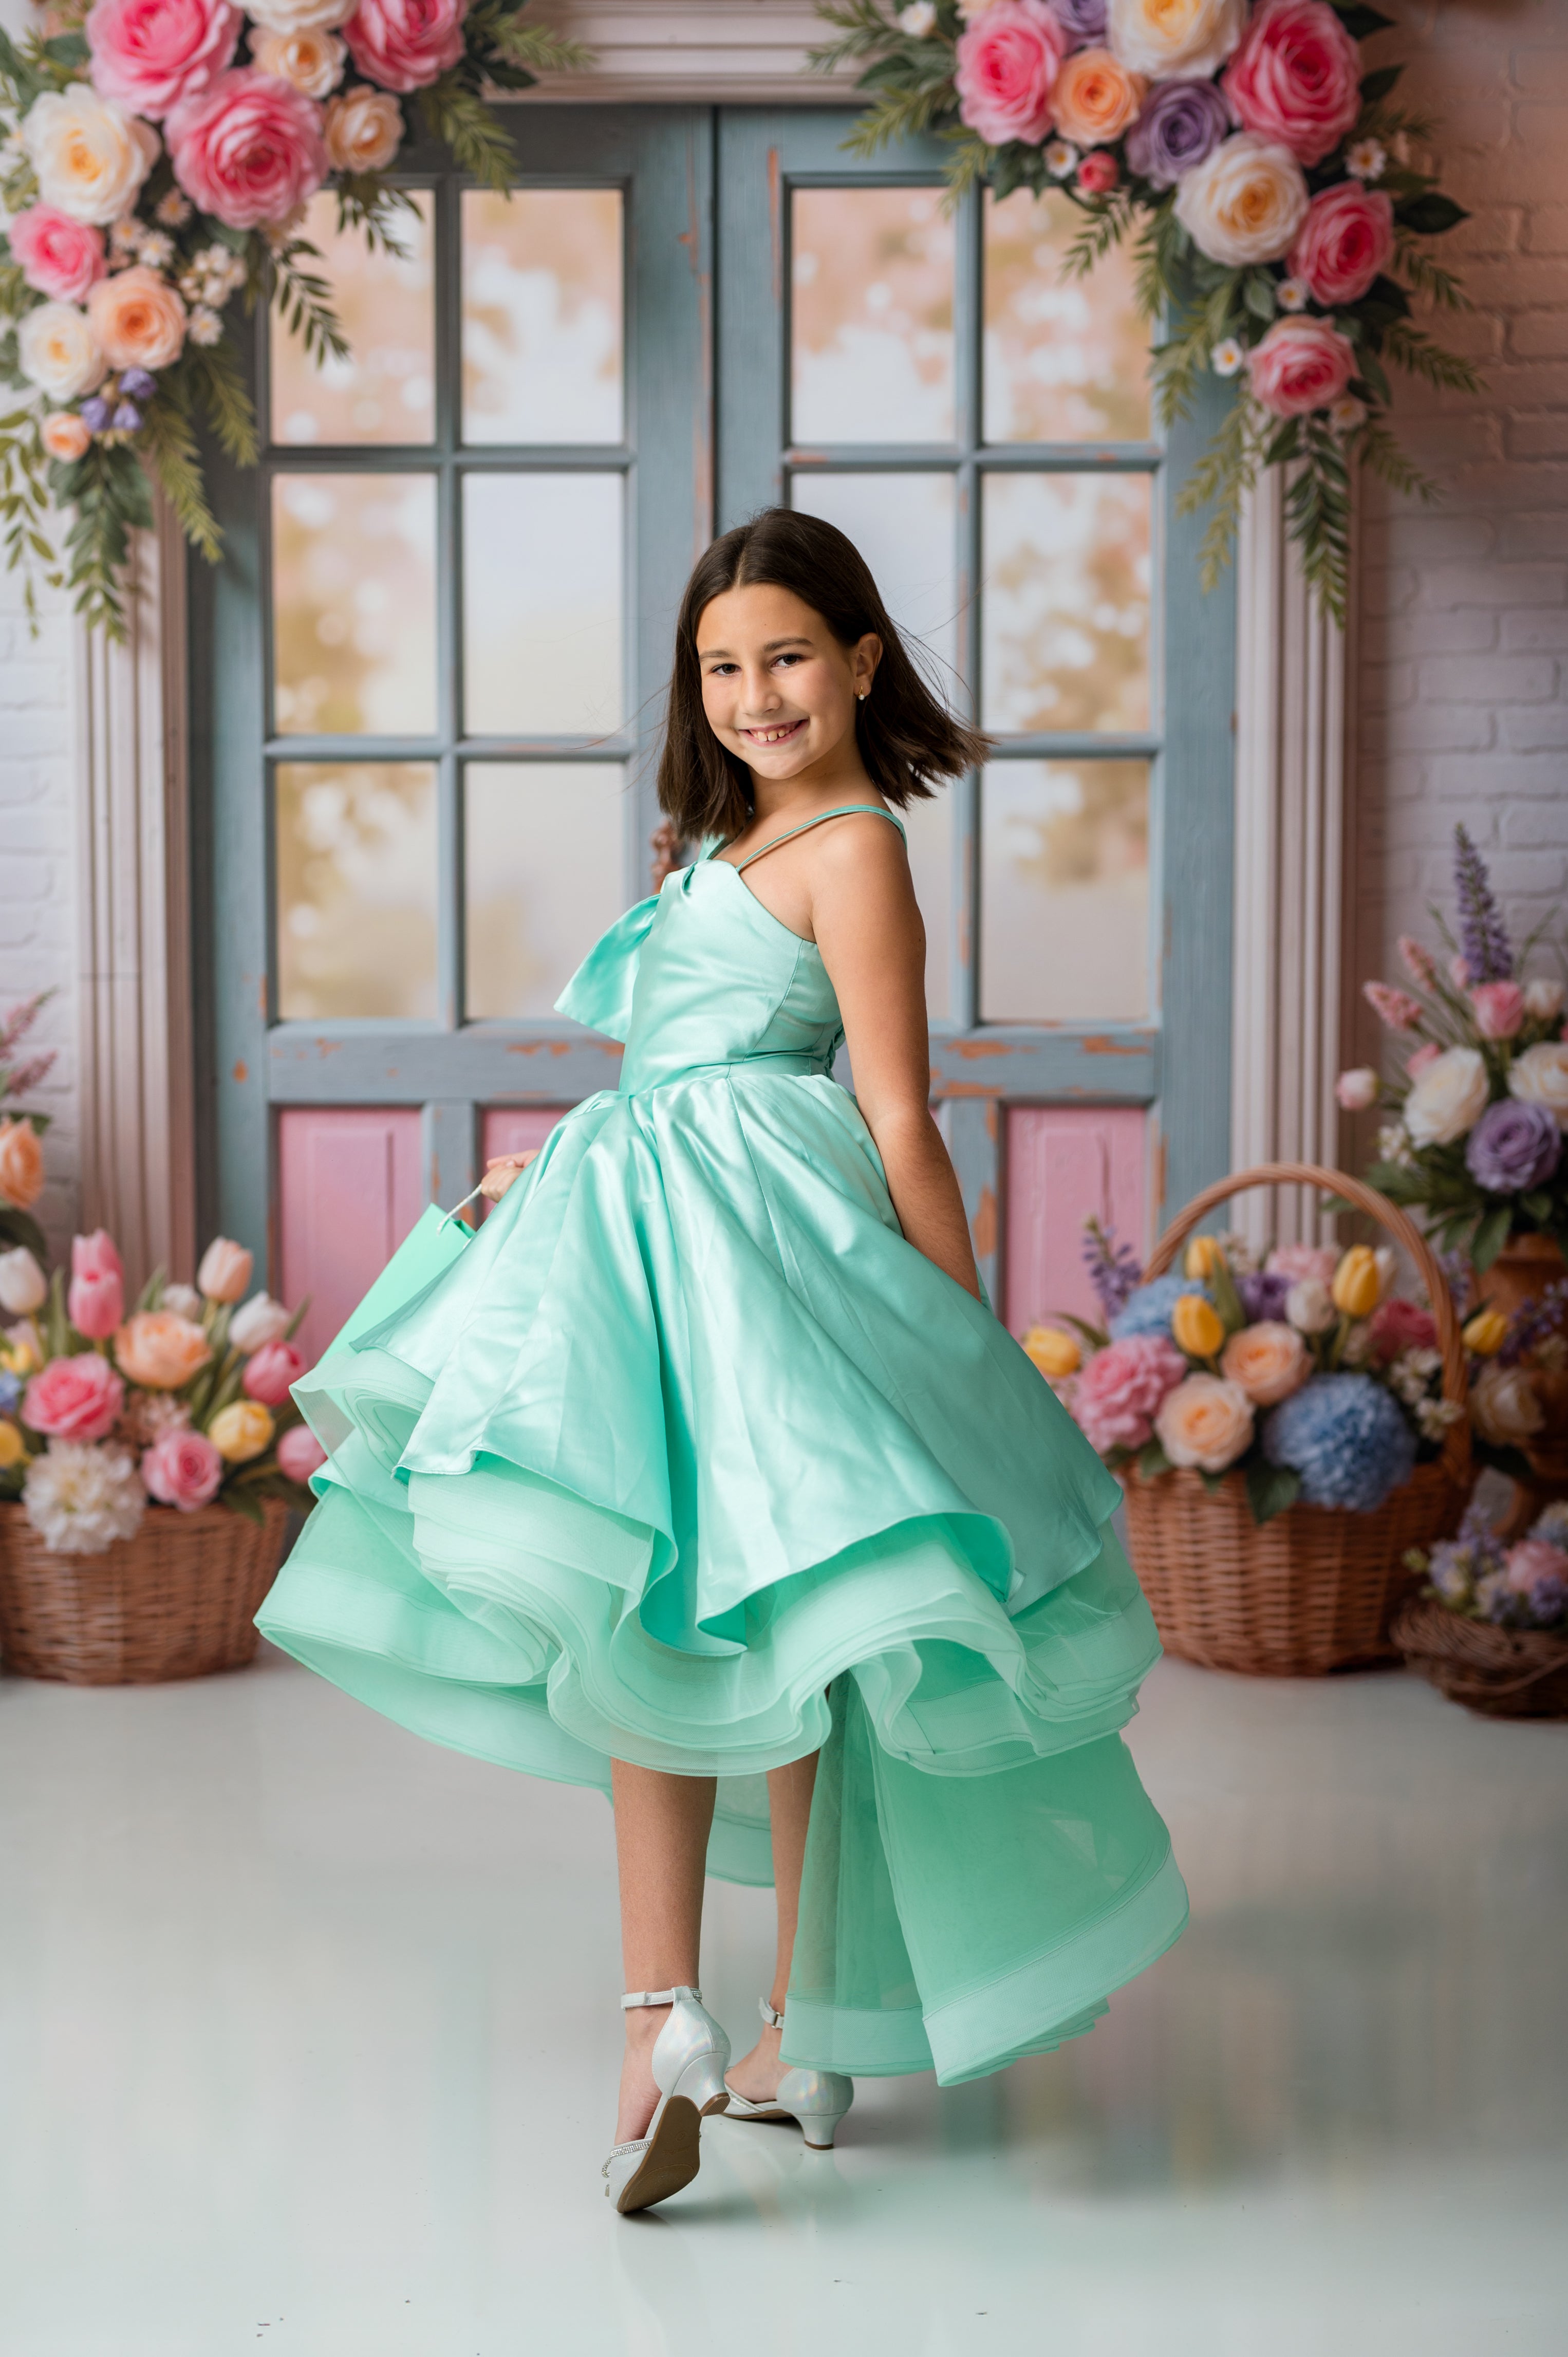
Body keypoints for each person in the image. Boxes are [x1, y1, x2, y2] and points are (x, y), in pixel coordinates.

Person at [257, 509, 1187, 2216]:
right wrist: (552, 1162)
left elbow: (899, 1111)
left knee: (710, 1605)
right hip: (642, 1219)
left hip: (749, 1237)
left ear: (860, 662)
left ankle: (693, 2020)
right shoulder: (717, 837)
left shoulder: (850, 844)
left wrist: (955, 1330)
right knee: (713, 1595)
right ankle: (773, 2033)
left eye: (785, 655)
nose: (755, 691)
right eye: (721, 665)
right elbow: (676, 1061)